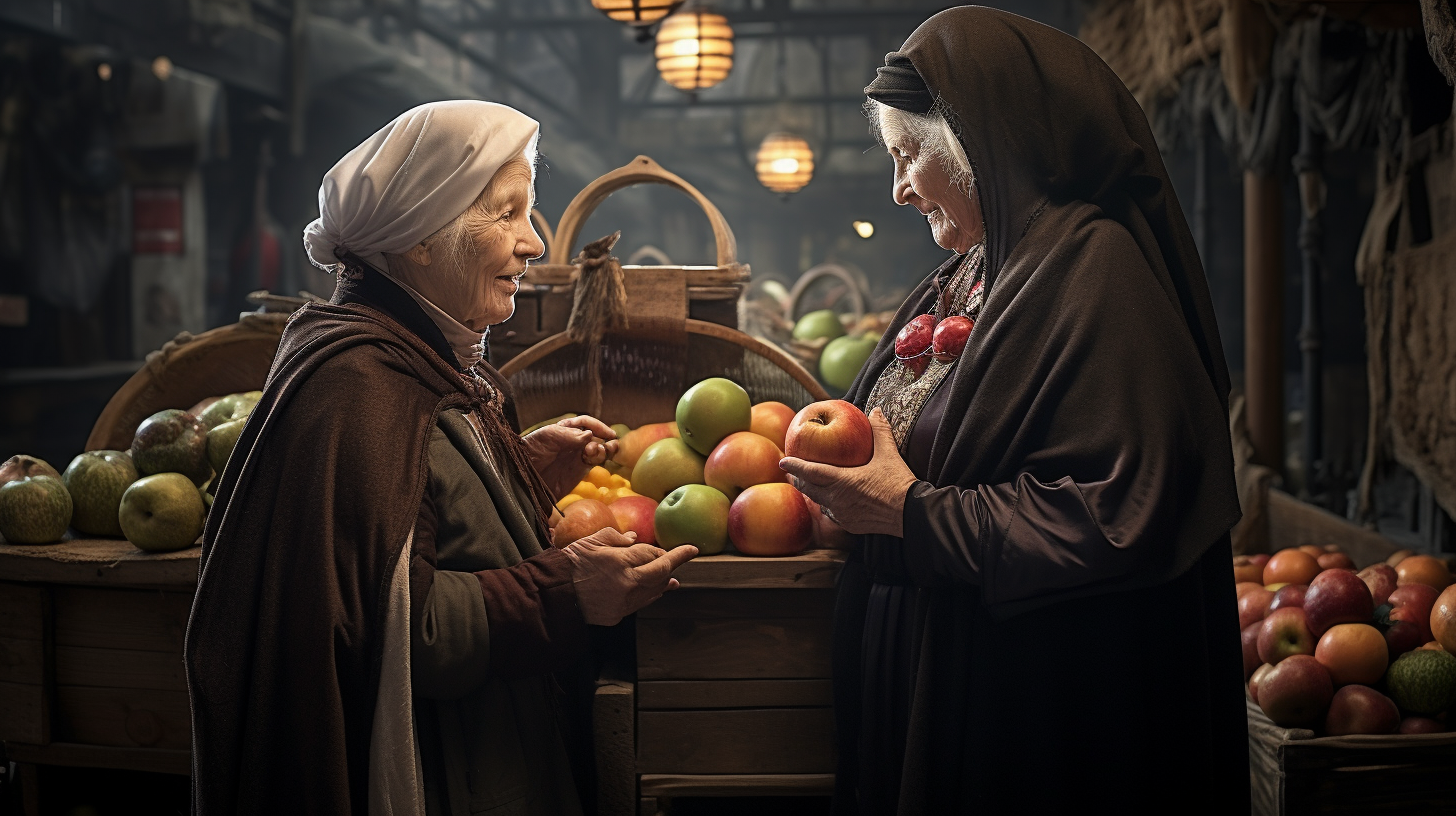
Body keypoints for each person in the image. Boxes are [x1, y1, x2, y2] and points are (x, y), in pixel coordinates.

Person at [778, 8, 1250, 814]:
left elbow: (1119, 516)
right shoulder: (975, 270)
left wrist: (911, 514)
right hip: (941, 677)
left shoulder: (1096, 271)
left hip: (1029, 713)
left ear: (978, 137)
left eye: (907, 155)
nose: (896, 189)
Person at [186, 100, 698, 816]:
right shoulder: (356, 386)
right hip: (442, 775)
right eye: (508, 213)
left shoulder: (421, 361)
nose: (534, 245)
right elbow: (396, 623)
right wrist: (566, 592)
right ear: (420, 238)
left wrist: (512, 470)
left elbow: (409, 515)